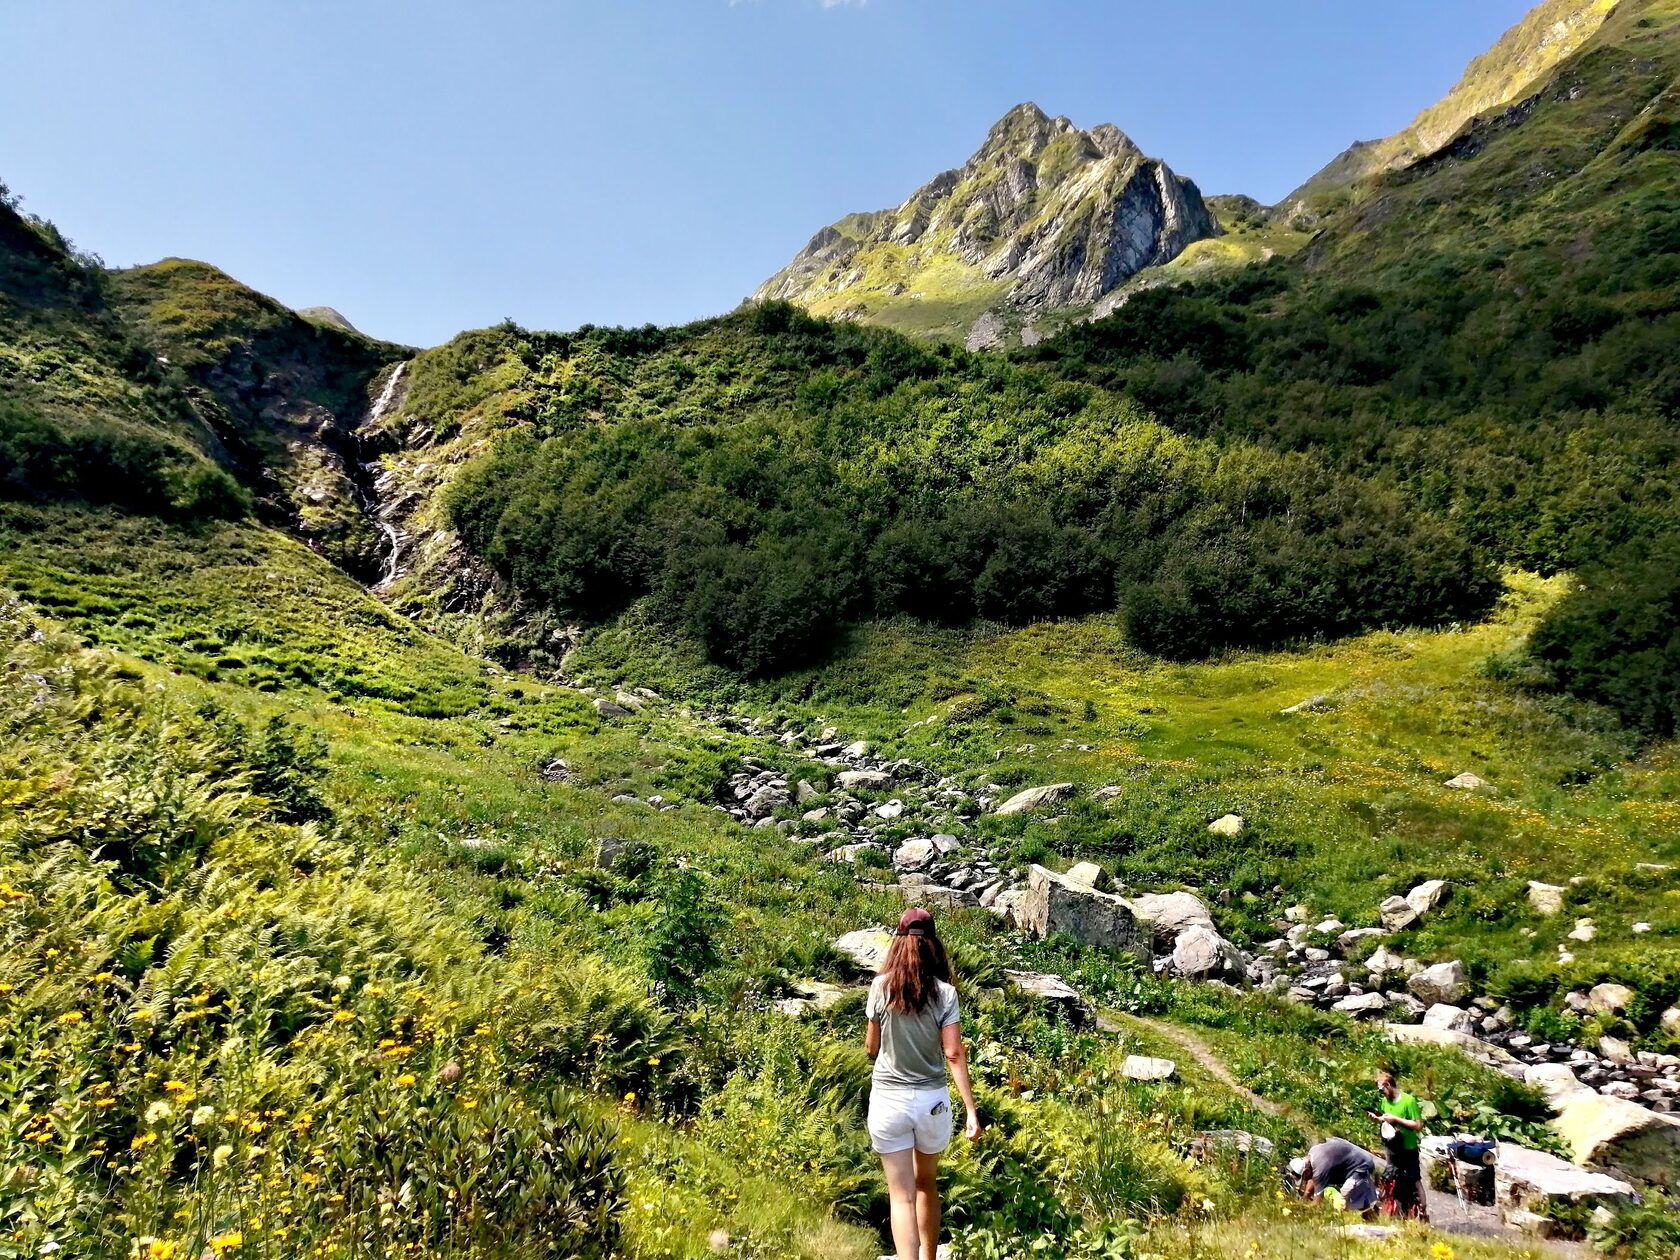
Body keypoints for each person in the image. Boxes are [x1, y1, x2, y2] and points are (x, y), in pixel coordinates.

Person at [865, 907, 982, 1260]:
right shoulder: (945, 993)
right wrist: (971, 1110)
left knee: (900, 1195)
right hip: (931, 1100)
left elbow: (871, 1048)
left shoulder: (880, 987)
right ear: (933, 945)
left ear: (898, 943)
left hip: (888, 1099)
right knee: (926, 1185)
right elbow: (953, 1054)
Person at [1368, 1070, 1427, 1219]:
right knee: (1389, 1176)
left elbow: (1418, 1125)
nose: (1382, 1093)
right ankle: (1388, 1209)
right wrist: (1378, 1119)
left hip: (1408, 1148)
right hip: (1392, 1147)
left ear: (1388, 1085)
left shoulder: (1408, 1101)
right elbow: (1386, 1119)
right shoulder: (1385, 1102)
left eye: (1382, 1090)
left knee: (1414, 1179)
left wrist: (1396, 1119)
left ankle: (1423, 1211)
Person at [1292, 1137, 1379, 1214]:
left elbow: (1317, 1203)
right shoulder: (1312, 1154)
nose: (1305, 1180)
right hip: (1355, 1161)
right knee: (1357, 1200)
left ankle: (1371, 1216)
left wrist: (1302, 1210)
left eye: (1304, 1178)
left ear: (1306, 1171)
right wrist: (1305, 1198)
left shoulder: (1322, 1167)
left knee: (1345, 1198)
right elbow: (1312, 1178)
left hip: (1361, 1165)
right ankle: (1373, 1216)